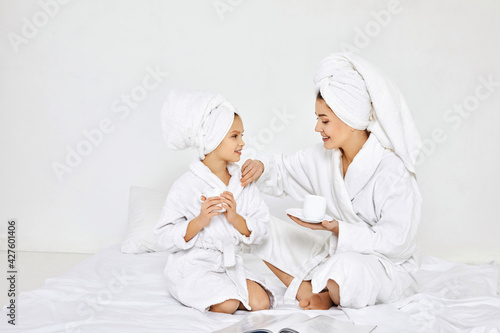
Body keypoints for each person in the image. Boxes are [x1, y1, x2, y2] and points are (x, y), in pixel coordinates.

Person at [240, 52, 423, 310]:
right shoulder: (322, 157)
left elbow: (398, 243)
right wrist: (261, 168)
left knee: (345, 270)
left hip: (383, 267)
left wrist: (339, 229)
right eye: (317, 119)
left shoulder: (392, 169)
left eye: (324, 120)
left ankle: (325, 289)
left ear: (351, 120)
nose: (317, 128)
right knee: (259, 227)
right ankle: (318, 288)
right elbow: (283, 170)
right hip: (335, 254)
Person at [154, 90, 275, 314]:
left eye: (241, 135)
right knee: (227, 304)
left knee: (261, 302)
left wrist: (235, 218)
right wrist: (199, 221)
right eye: (235, 136)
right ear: (213, 139)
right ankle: (216, 292)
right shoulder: (186, 185)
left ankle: (228, 290)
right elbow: (163, 237)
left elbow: (262, 229)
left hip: (227, 264)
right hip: (194, 266)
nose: (243, 142)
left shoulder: (242, 180)